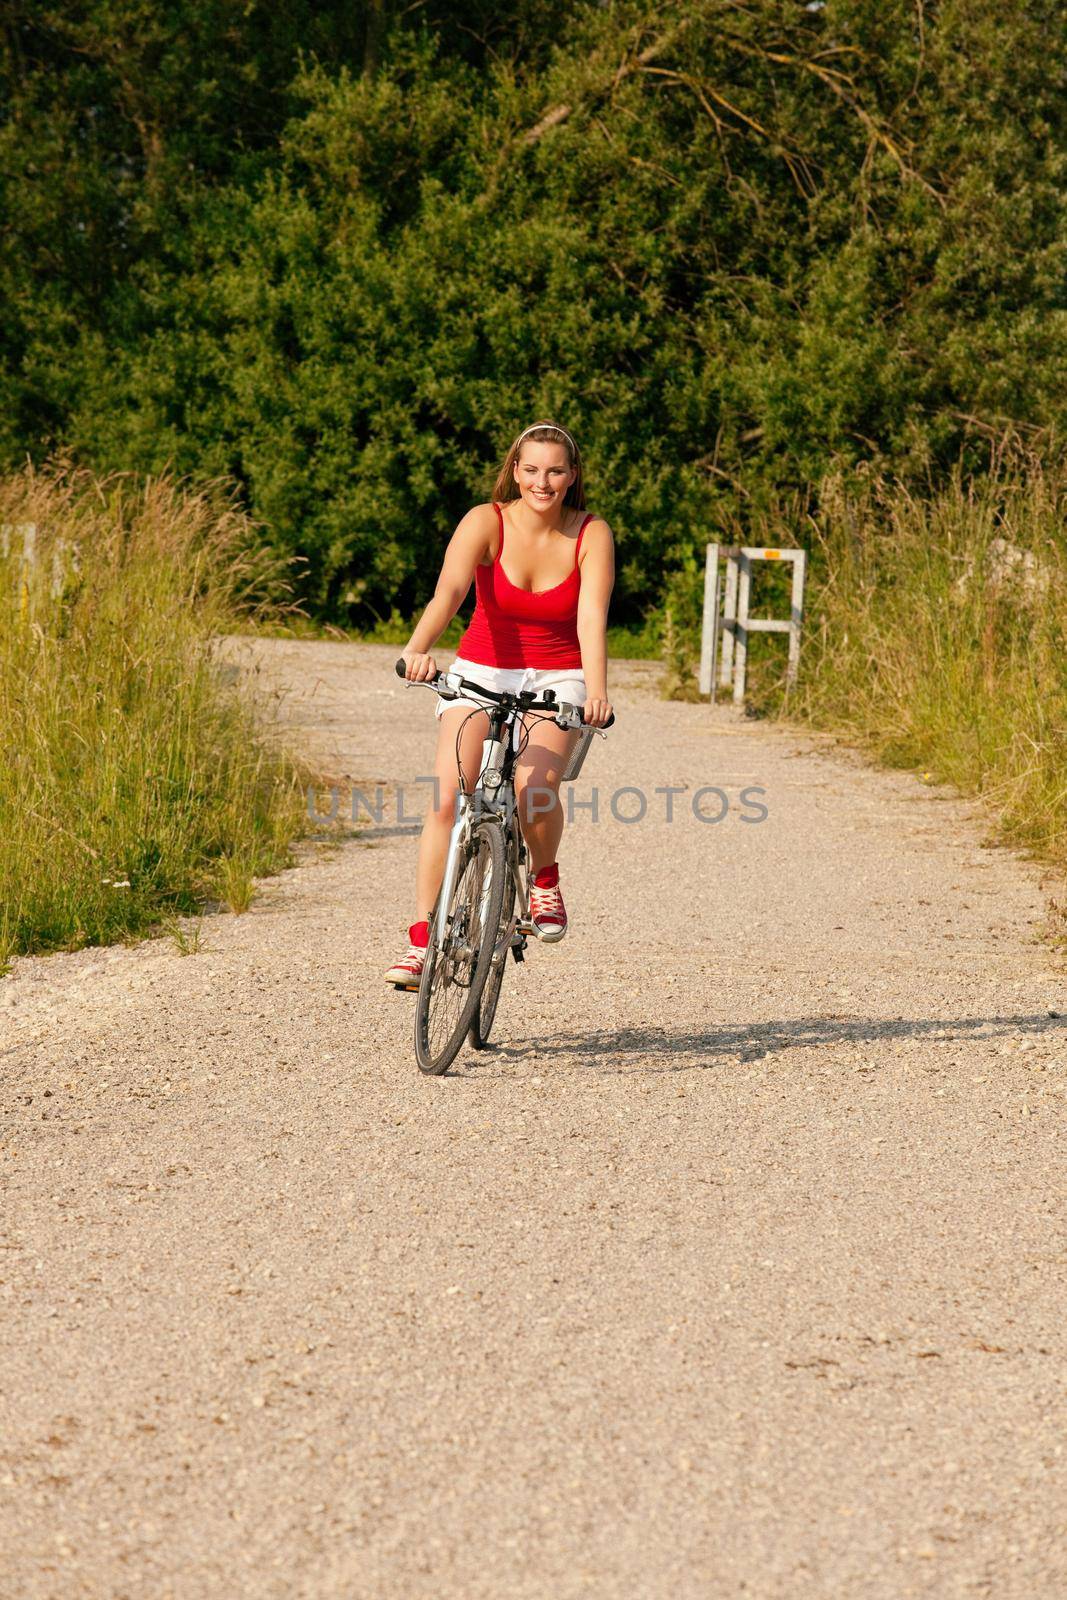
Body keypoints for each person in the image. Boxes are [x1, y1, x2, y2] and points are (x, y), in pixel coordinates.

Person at [384, 420, 615, 988]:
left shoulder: (591, 533)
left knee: (533, 788)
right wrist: (418, 650)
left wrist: (598, 689)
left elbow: (591, 617)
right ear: (515, 470)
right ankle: (421, 941)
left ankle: (544, 879)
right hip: (482, 668)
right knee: (447, 795)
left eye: (555, 470)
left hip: (558, 675)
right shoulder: (486, 520)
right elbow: (450, 592)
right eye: (531, 469)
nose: (543, 481)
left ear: (572, 477)